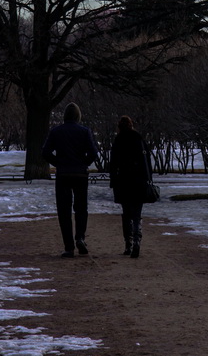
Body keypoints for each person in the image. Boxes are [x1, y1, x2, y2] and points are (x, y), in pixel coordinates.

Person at [41, 102, 99, 258]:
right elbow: (93, 153)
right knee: (81, 208)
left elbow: (45, 152)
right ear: (78, 116)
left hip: (63, 175)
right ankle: (80, 237)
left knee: (64, 211)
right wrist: (83, 164)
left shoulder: (56, 132)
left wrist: (58, 163)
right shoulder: (84, 132)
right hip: (80, 174)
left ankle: (69, 247)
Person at [109, 115, 152, 258]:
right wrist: (148, 179)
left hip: (123, 182)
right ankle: (137, 239)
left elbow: (113, 163)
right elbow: (146, 161)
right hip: (139, 181)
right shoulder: (138, 138)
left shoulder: (118, 140)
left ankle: (128, 243)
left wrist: (113, 181)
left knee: (126, 214)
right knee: (137, 214)